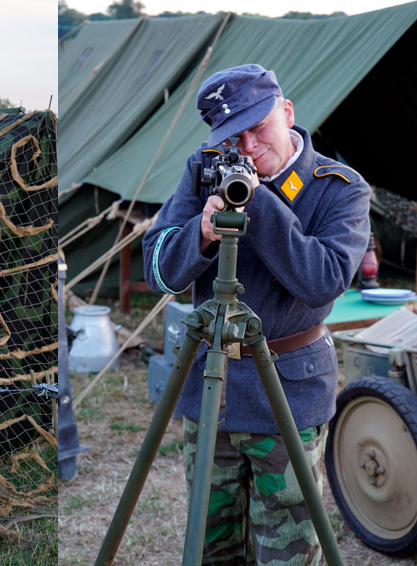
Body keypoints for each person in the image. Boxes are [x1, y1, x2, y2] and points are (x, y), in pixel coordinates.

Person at [142, 64, 371, 565]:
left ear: (286, 113)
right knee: (210, 544)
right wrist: (199, 235)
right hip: (211, 393)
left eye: (257, 127)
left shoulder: (339, 188)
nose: (245, 147)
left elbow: (324, 282)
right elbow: (158, 269)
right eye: (232, 135)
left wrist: (258, 202)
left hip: (288, 393)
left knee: (286, 550)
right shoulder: (202, 170)